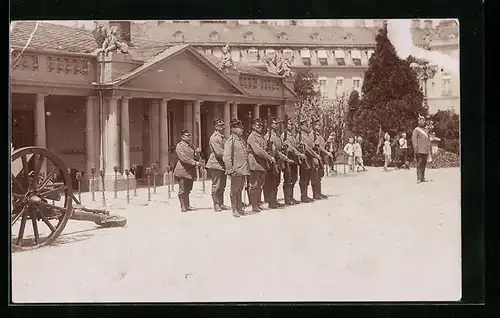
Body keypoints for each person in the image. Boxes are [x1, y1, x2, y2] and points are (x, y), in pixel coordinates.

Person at [263, 116, 294, 209]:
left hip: (278, 162)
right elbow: (273, 151)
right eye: (275, 123)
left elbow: (278, 150)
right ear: (271, 125)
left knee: (276, 182)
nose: (276, 125)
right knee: (271, 182)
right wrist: (285, 158)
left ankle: (274, 200)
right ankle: (271, 201)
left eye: (277, 123)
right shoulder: (268, 137)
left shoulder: (276, 135)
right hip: (272, 162)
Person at [247, 118, 275, 212]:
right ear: (253, 126)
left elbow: (265, 148)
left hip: (261, 163)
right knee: (254, 185)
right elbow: (258, 151)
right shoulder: (252, 137)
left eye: (260, 126)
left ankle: (257, 203)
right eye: (257, 126)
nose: (259, 127)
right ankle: (254, 205)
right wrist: (269, 157)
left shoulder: (260, 136)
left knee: (259, 185)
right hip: (255, 163)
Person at [223, 119, 250, 217]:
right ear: (234, 129)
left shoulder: (240, 140)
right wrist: (230, 170)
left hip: (242, 169)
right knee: (234, 190)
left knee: (239, 189)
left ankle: (239, 207)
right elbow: (226, 157)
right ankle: (234, 209)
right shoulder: (230, 141)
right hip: (236, 170)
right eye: (239, 128)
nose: (242, 130)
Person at [174, 129, 201, 212]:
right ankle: (183, 206)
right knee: (182, 189)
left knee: (188, 189)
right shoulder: (180, 146)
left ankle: (187, 205)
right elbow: (184, 158)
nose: (189, 137)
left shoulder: (191, 146)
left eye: (190, 135)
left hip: (190, 171)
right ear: (182, 137)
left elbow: (195, 157)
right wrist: (194, 163)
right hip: (182, 170)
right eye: (187, 135)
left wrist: (198, 153)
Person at [281, 117, 307, 205]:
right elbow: (290, 148)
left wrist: (300, 144)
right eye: (289, 124)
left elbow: (295, 145)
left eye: (291, 124)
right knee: (288, 179)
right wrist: (299, 154)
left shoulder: (291, 135)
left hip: (294, 160)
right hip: (289, 159)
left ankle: (291, 197)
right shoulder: (284, 135)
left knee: (293, 179)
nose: (291, 126)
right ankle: (287, 199)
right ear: (285, 125)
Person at [206, 118, 229, 212]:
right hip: (216, 163)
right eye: (220, 125)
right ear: (216, 127)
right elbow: (219, 152)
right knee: (216, 185)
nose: (222, 127)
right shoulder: (214, 138)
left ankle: (221, 202)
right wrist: (230, 157)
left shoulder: (222, 137)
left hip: (222, 164)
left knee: (222, 185)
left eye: (223, 125)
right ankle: (216, 204)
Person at [296, 118, 322, 202]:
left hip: (309, 158)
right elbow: (306, 148)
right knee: (303, 178)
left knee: (307, 177)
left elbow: (311, 146)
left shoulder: (306, 135)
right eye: (305, 125)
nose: (307, 127)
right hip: (305, 159)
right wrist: (316, 155)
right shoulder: (300, 136)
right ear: (301, 126)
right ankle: (303, 196)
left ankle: (305, 195)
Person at [310, 118, 332, 199]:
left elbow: (322, 146)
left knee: (319, 175)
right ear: (314, 126)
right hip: (316, 157)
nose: (319, 126)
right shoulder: (312, 135)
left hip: (320, 157)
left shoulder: (319, 135)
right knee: (315, 175)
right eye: (317, 125)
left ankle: (319, 192)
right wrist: (327, 153)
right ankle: (315, 194)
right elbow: (317, 147)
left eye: (319, 124)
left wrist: (327, 142)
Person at [412, 115, 432, 183]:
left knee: (424, 164)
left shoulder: (426, 130)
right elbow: (414, 140)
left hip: (425, 151)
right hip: (419, 150)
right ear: (418, 121)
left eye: (423, 120)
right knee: (419, 164)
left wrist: (429, 150)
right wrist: (415, 148)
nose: (422, 122)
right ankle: (418, 178)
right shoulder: (416, 130)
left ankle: (422, 178)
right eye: (421, 120)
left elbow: (428, 140)